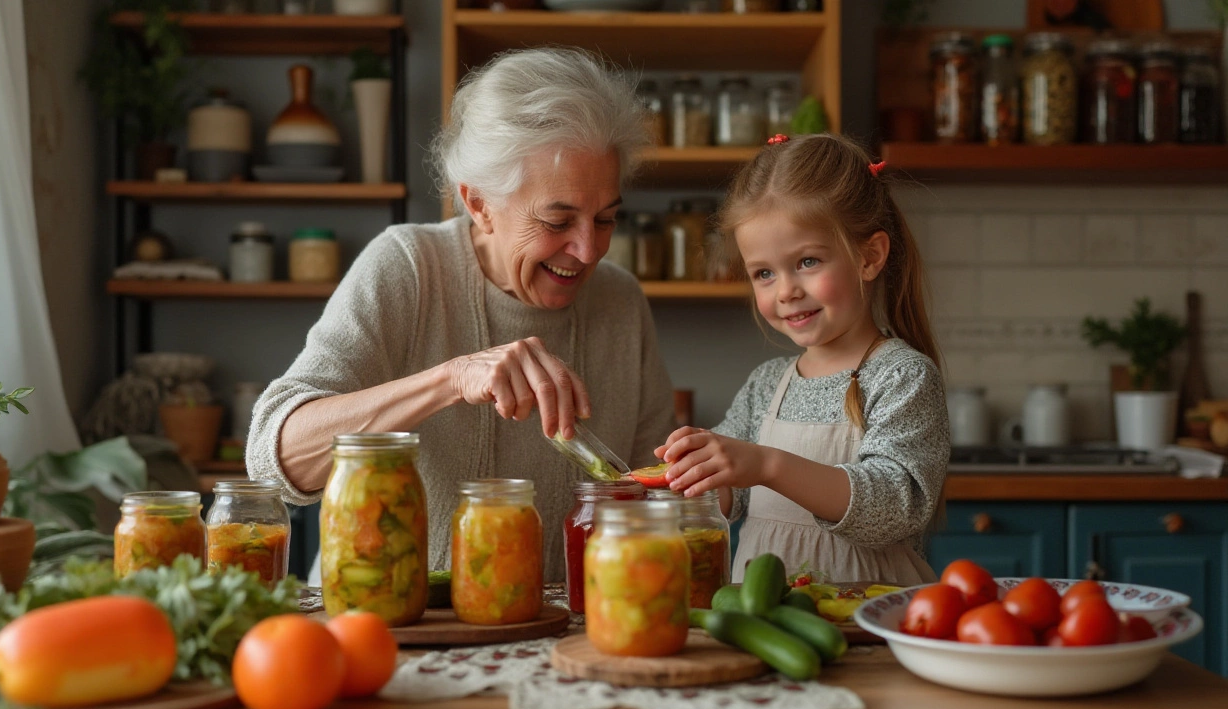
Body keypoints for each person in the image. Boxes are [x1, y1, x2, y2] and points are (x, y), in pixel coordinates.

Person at [246, 48, 676, 584]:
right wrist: (452, 377)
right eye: (557, 219)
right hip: (387, 621)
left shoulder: (621, 300)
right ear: (478, 204)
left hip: (567, 634)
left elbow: (660, 500)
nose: (588, 250)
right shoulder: (407, 266)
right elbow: (275, 458)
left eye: (606, 219)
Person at [657, 133, 948, 586]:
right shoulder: (766, 383)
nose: (786, 291)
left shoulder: (901, 376)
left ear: (869, 257)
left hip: (873, 621)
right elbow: (731, 500)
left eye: (808, 261)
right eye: (764, 273)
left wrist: (768, 465)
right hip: (770, 620)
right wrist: (697, 478)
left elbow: (896, 507)